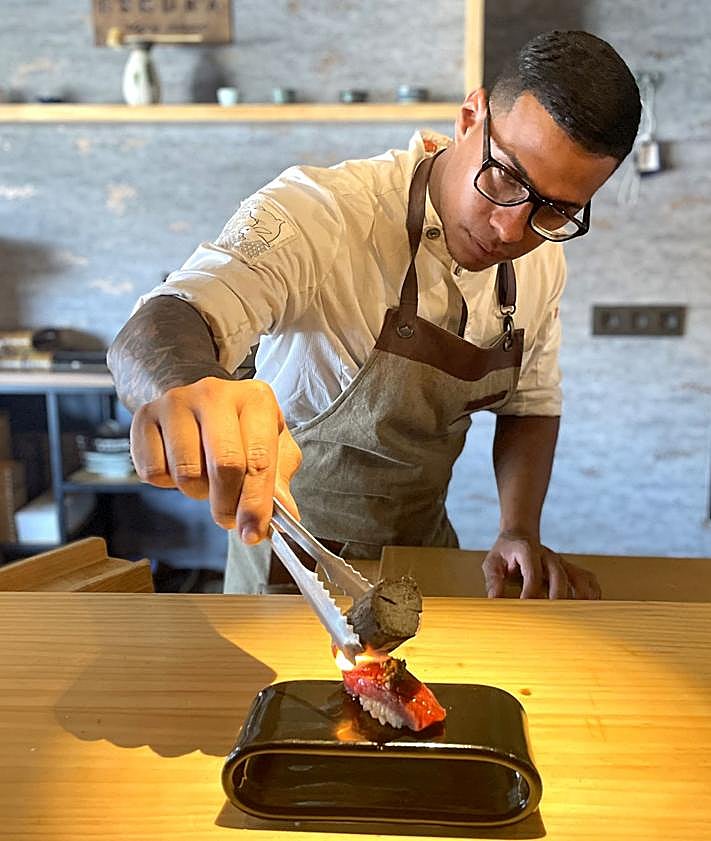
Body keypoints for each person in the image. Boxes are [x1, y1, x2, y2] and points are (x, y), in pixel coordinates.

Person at [108, 30, 641, 599]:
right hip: (288, 560)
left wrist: (517, 530)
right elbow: (169, 316)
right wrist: (188, 385)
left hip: (423, 555)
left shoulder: (542, 259)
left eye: (556, 209)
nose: (511, 228)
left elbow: (531, 404)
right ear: (470, 117)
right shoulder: (322, 210)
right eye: (506, 176)